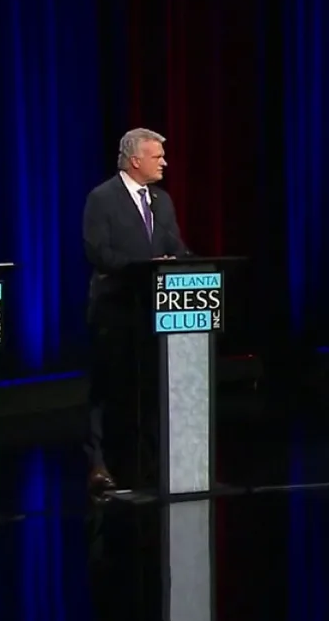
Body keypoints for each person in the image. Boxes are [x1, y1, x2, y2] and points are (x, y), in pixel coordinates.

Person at [82, 128, 189, 495]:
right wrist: (142, 268)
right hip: (114, 309)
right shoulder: (102, 198)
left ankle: (150, 464)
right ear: (134, 160)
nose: (165, 163)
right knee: (107, 389)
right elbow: (98, 252)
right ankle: (99, 465)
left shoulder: (162, 200)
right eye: (157, 157)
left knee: (150, 387)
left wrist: (188, 263)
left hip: (153, 312)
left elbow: (175, 245)